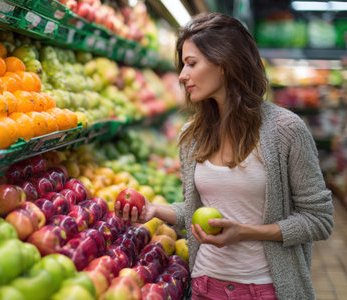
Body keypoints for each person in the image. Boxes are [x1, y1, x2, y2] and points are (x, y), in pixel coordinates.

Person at [115, 12, 334, 300]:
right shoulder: (192, 135)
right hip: (204, 286)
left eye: (191, 64)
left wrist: (246, 232)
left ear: (224, 64)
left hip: (265, 289)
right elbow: (196, 210)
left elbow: (319, 220)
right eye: (182, 65)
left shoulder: (286, 130)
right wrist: (156, 211)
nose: (182, 76)